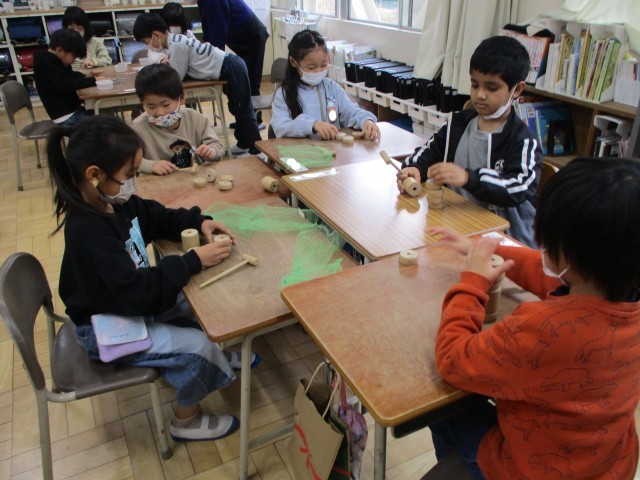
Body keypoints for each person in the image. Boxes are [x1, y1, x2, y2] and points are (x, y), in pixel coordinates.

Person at [423, 157, 640, 480]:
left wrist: (472, 283)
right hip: (608, 464)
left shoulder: (543, 329)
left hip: (532, 469)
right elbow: (555, 276)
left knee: (442, 408)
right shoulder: (616, 284)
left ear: (568, 255)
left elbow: (453, 359)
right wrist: (486, 249)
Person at [47, 115, 260, 442]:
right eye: (128, 175)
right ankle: (186, 421)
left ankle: (215, 356)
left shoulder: (113, 202)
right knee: (197, 347)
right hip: (104, 325)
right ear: (94, 175)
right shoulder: (87, 231)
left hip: (127, 302)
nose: (133, 182)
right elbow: (136, 294)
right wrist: (191, 261)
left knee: (200, 297)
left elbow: (156, 217)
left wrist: (198, 222)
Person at [397, 36, 542, 247]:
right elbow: (429, 150)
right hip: (459, 226)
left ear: (517, 89)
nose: (480, 95)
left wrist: (468, 178)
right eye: (475, 85)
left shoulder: (523, 140)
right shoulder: (457, 124)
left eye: (491, 88)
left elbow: (520, 187)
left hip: (505, 239)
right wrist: (415, 168)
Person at [133, 13, 263, 158]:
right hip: (227, 67)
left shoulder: (176, 45)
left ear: (155, 35)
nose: (148, 46)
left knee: (243, 109)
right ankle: (244, 143)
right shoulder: (175, 40)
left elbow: (176, 77)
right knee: (236, 107)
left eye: (146, 42)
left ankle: (257, 151)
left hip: (230, 66)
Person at [271, 30, 380, 141]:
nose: (319, 71)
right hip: (301, 150)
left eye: (323, 65)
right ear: (293, 62)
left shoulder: (332, 88)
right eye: (311, 67)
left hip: (332, 149)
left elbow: (351, 111)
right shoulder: (283, 94)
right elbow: (281, 127)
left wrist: (366, 121)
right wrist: (312, 125)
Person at [133, 63, 225, 176]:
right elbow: (128, 161)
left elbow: (217, 146)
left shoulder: (195, 119)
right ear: (142, 103)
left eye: (166, 105)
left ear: (181, 98)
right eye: (151, 107)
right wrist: (150, 165)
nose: (160, 112)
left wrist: (211, 151)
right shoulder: (139, 127)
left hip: (192, 178)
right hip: (156, 182)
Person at [197, 0, 269, 124]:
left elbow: (218, 33)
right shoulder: (202, 2)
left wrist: (215, 61)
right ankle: (245, 120)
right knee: (242, 82)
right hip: (242, 39)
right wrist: (207, 51)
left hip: (253, 38)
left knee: (251, 82)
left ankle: (255, 121)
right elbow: (208, 30)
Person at [34, 28, 103, 127]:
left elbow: (70, 74)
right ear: (60, 50)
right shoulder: (47, 63)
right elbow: (66, 84)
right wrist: (94, 80)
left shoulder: (55, 59)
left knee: (103, 115)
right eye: (74, 57)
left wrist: (86, 76)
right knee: (103, 124)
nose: (74, 60)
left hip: (72, 111)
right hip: (67, 116)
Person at [62, 6, 113, 71]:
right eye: (72, 29)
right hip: (73, 77)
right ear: (66, 28)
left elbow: (107, 60)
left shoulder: (95, 42)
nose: (76, 32)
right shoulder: (62, 45)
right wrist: (81, 71)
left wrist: (93, 62)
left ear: (86, 28)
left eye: (80, 28)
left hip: (93, 76)